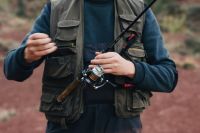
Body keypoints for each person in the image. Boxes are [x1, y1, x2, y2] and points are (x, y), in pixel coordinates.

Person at [4, 0, 178, 133]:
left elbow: (169, 77)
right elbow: (11, 70)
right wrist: (25, 56)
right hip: (66, 126)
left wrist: (131, 68)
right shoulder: (57, 8)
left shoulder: (139, 10)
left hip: (122, 126)